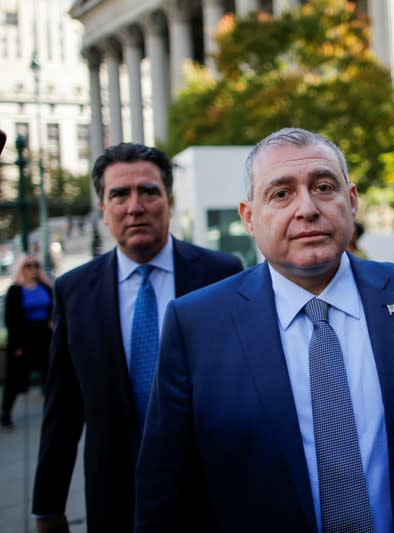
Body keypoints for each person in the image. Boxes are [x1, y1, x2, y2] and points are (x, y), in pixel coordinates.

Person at [134, 128, 394, 533]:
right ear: (249, 217)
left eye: (323, 187)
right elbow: (165, 485)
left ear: (351, 202)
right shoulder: (195, 324)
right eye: (281, 194)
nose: (307, 208)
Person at [32, 143, 243, 533]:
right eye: (119, 194)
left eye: (148, 191)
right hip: (115, 500)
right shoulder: (74, 290)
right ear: (102, 208)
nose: (135, 206)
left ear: (169, 200)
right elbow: (62, 409)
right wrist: (47, 507)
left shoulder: (222, 274)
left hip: (211, 496)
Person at [1, 253, 52, 429]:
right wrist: (17, 345)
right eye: (28, 266)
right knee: (14, 380)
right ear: (21, 268)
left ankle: (51, 408)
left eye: (35, 266)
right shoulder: (15, 291)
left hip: (44, 337)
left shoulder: (45, 287)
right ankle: (6, 412)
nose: (32, 270)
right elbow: (11, 319)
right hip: (24, 339)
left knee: (51, 375)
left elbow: (53, 310)